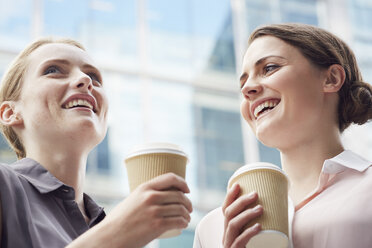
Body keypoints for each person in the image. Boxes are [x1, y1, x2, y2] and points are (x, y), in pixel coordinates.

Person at [0, 37, 193, 248]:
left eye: (93, 76)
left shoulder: (110, 223)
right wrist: (115, 234)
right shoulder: (5, 187)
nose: (85, 80)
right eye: (53, 70)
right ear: (10, 113)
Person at [193, 23, 372, 248]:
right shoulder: (213, 228)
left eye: (269, 68)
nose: (247, 89)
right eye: (243, 83)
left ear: (331, 79)